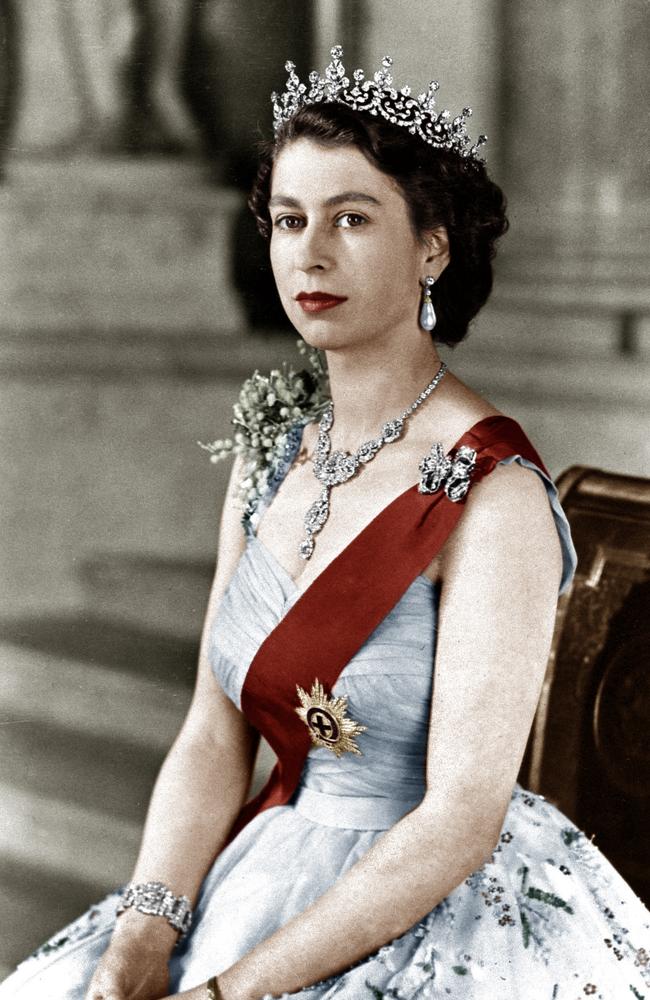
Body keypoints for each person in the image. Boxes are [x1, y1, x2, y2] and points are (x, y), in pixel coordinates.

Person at [1, 45, 648, 1000]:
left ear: (433, 245)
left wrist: (232, 992)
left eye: (353, 219)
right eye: (290, 220)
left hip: (430, 906)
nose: (311, 254)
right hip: (263, 869)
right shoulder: (271, 449)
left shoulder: (494, 492)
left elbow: (460, 820)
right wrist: (146, 933)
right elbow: (214, 734)